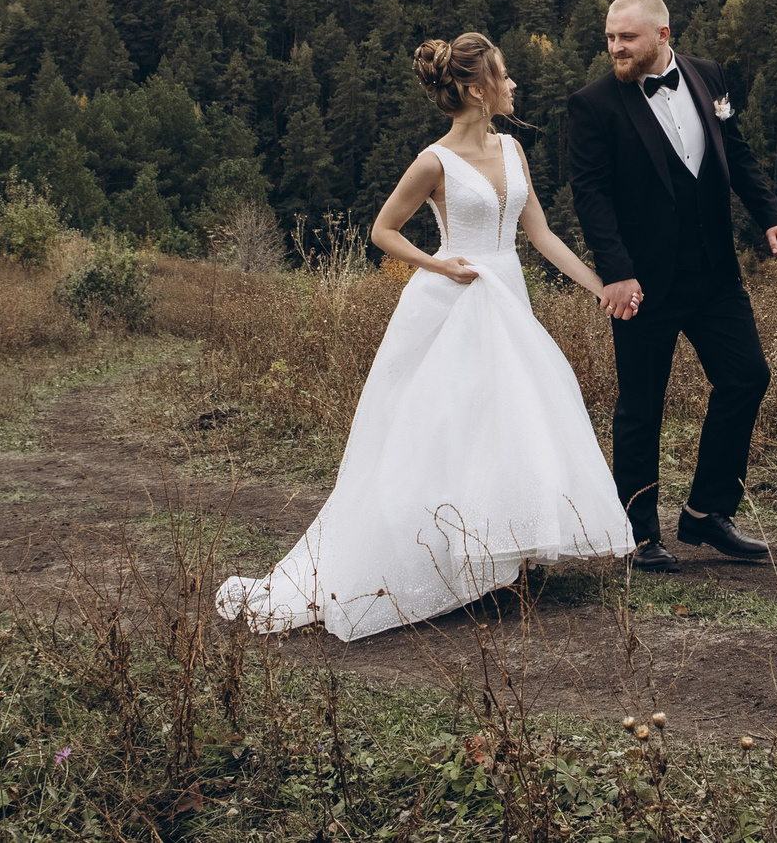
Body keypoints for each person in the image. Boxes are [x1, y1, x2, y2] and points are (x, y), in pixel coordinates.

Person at [215, 34, 633, 640]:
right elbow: (383, 230)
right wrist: (439, 265)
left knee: (507, 420)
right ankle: (442, 557)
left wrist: (601, 287)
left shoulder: (514, 149)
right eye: (504, 75)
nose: (513, 84)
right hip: (452, 298)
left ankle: (498, 552)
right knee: (443, 426)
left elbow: (539, 234)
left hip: (507, 298)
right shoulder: (433, 160)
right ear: (474, 88)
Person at [564, 0, 777, 572]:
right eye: (610, 37)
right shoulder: (593, 104)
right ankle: (639, 533)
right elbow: (590, 197)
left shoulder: (708, 76)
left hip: (715, 273)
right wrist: (615, 275)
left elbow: (734, 153)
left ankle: (707, 514)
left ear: (663, 35)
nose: (614, 47)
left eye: (627, 38)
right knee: (642, 406)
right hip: (643, 285)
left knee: (746, 378)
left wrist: (770, 215)